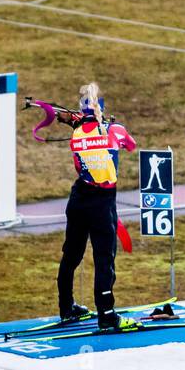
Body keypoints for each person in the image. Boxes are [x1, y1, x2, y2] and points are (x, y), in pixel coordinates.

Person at [56, 82, 139, 331]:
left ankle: (66, 308)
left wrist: (75, 120)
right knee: (104, 259)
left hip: (79, 198)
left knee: (71, 255)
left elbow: (76, 123)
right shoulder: (114, 130)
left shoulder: (77, 132)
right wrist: (110, 125)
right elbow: (131, 144)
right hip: (102, 203)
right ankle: (107, 315)